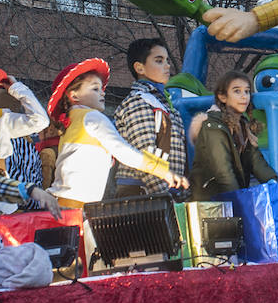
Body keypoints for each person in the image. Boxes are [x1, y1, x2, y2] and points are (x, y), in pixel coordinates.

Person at [47, 58, 189, 206]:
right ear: (74, 95)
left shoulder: (71, 122)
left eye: (102, 89)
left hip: (63, 201)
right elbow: (124, 152)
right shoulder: (93, 117)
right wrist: (163, 171)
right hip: (77, 204)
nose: (102, 93)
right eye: (95, 89)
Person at [109, 38, 187, 198]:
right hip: (141, 194)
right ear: (139, 67)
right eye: (159, 61)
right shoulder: (138, 101)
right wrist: (165, 197)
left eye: (167, 61)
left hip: (165, 190)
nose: (167, 66)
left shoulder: (164, 103)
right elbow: (145, 154)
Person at [188, 71, 278, 200]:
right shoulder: (213, 127)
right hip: (210, 199)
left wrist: (271, 180)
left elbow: (254, 159)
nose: (244, 97)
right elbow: (223, 170)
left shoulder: (242, 125)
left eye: (247, 91)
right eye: (237, 91)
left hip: (229, 195)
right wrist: (239, 199)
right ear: (222, 97)